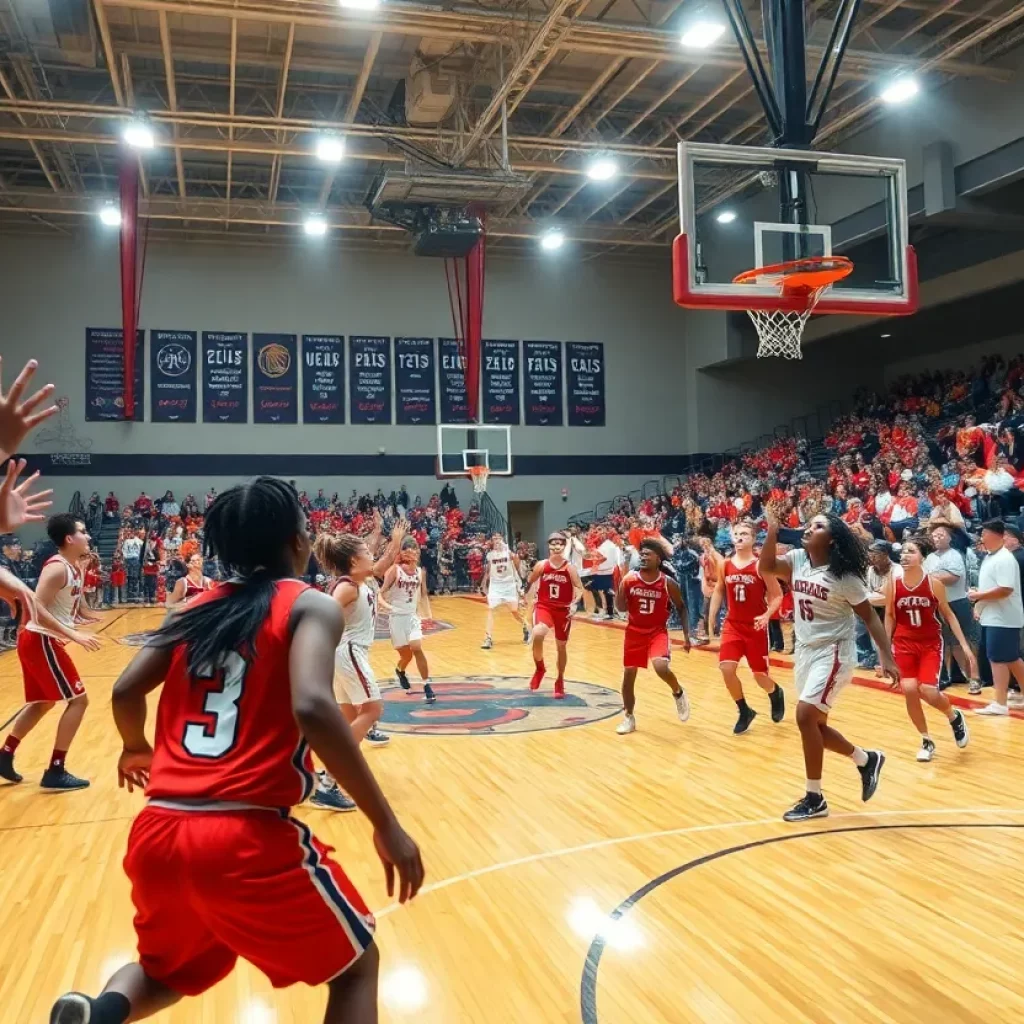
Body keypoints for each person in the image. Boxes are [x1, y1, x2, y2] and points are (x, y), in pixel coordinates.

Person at [48, 477, 424, 1024]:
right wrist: (385, 821)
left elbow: (125, 690)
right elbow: (315, 708)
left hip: (159, 830)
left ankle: (98, 1013)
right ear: (299, 541)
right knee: (356, 967)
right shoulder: (309, 605)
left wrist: (136, 747)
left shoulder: (191, 610)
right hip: (245, 835)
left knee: (160, 974)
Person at [759, 511, 898, 823]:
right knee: (814, 725)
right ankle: (866, 759)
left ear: (832, 539)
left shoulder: (844, 577)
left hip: (834, 651)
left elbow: (869, 617)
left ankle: (814, 797)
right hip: (806, 651)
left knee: (805, 715)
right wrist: (771, 531)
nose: (810, 528)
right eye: (809, 524)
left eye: (818, 526)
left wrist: (885, 656)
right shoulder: (796, 559)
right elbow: (766, 566)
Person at [0, 514, 103, 789]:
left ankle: (4, 754)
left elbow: (70, 605)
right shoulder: (56, 568)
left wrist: (86, 616)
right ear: (69, 538)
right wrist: (73, 634)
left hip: (41, 641)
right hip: (40, 638)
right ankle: (56, 770)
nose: (89, 537)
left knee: (43, 702)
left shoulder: (74, 567)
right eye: (83, 532)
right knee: (79, 701)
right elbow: (36, 610)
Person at [311, 522, 405, 811]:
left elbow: (382, 563)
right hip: (349, 652)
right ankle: (328, 782)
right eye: (366, 551)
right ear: (354, 560)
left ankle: (325, 775)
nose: (371, 554)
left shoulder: (361, 582)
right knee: (373, 710)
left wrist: (396, 541)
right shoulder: (347, 587)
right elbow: (323, 611)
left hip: (345, 654)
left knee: (350, 720)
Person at [885, 536, 973, 761]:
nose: (905, 555)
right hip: (903, 643)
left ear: (922, 557)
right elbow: (889, 616)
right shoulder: (892, 584)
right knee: (910, 690)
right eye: (903, 551)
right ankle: (926, 740)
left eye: (911, 551)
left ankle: (954, 717)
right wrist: (884, 651)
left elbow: (949, 615)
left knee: (930, 691)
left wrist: (965, 646)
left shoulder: (934, 584)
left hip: (930, 642)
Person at [708, 521, 786, 734]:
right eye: (736, 533)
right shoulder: (724, 564)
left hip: (755, 628)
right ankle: (744, 710)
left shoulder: (761, 565)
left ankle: (775, 692)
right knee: (726, 668)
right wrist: (711, 616)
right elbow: (719, 589)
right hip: (733, 625)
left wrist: (768, 614)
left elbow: (778, 595)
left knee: (760, 676)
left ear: (753, 539)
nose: (740, 537)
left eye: (744, 533)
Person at [615, 538, 691, 735]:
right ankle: (629, 717)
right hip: (634, 632)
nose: (643, 557)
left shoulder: (667, 583)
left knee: (660, 667)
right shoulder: (630, 579)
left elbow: (682, 608)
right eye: (642, 554)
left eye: (648, 554)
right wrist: (621, 587)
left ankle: (678, 692)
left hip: (657, 631)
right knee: (628, 675)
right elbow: (621, 608)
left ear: (658, 559)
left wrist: (686, 637)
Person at [968, 519, 1024, 716]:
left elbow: (1005, 589)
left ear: (997, 535)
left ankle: (999, 703)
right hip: (995, 617)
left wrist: (978, 597)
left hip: (1004, 618)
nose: (981, 537)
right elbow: (990, 588)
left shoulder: (1004, 559)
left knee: (998, 659)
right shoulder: (991, 557)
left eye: (984, 533)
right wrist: (980, 605)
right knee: (1010, 658)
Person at [380, 537, 436, 705]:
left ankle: (427, 686)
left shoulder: (420, 572)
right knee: (406, 655)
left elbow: (424, 594)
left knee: (417, 647)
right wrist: (387, 607)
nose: (414, 552)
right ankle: (400, 670)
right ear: (403, 553)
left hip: (412, 616)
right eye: (410, 549)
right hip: (397, 618)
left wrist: (428, 615)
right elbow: (380, 593)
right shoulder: (394, 570)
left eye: (416, 549)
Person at [526, 533, 583, 699]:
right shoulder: (542, 565)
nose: (556, 547)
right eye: (553, 544)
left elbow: (579, 588)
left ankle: (560, 680)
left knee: (561, 646)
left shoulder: (569, 568)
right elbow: (530, 580)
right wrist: (528, 593)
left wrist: (574, 603)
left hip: (563, 611)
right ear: (549, 546)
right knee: (537, 633)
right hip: (545, 607)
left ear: (564, 547)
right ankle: (540, 668)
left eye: (559, 544)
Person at [925, 524, 977, 691]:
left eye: (941, 535)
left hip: (957, 602)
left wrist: (932, 576)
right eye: (935, 536)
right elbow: (925, 578)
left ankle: (974, 677)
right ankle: (948, 676)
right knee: (945, 643)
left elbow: (952, 577)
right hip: (938, 604)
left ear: (949, 538)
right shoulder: (930, 557)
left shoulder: (954, 555)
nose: (937, 538)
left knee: (964, 641)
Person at [480, 533, 529, 649]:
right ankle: (488, 638)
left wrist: (520, 585)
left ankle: (526, 626)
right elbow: (488, 570)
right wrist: (483, 585)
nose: (496, 540)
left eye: (498, 538)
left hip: (509, 585)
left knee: (514, 611)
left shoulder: (509, 553)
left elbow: (517, 563)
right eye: (494, 538)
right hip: (495, 586)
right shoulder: (490, 555)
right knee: (491, 610)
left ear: (502, 540)